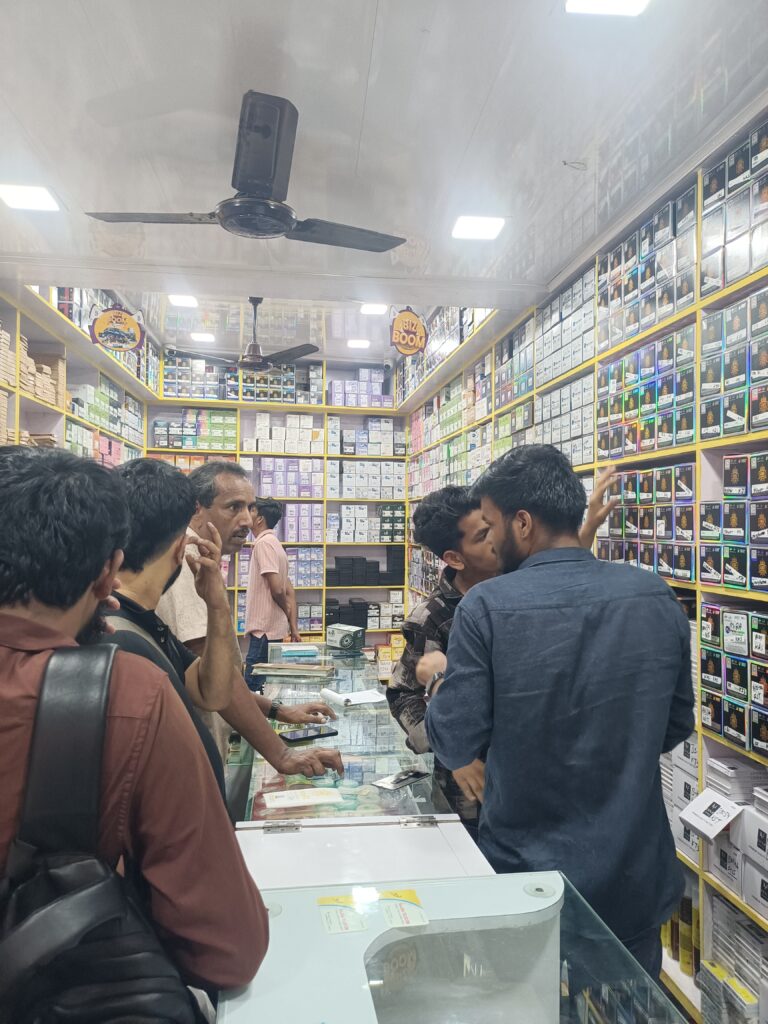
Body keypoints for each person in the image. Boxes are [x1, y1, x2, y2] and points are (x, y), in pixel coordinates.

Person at [0, 446, 267, 998]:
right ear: (107, 573)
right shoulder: (123, 692)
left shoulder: (134, 649)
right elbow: (226, 949)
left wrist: (217, 602)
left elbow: (212, 690)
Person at [423, 445, 694, 980]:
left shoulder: (486, 608)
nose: (490, 541)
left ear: (522, 523)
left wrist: (437, 679)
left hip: (529, 877)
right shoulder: (653, 595)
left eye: (491, 525)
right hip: (633, 875)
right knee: (628, 1006)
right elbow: (676, 725)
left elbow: (453, 742)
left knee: (530, 1001)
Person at [388, 473, 617, 839]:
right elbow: (402, 694)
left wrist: (584, 526)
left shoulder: (518, 579)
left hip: (539, 781)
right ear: (454, 558)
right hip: (472, 796)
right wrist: (454, 755)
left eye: (492, 526)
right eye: (483, 535)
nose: (497, 538)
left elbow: (557, 575)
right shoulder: (433, 617)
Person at [121, 459, 342, 782]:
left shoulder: (200, 558)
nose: (247, 520)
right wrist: (281, 753)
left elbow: (216, 677)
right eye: (233, 507)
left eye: (250, 508)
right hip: (185, 762)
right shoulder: (186, 560)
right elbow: (211, 678)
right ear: (196, 509)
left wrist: (278, 710)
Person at [244, 498, 300, 691]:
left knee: (253, 687)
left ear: (260, 519)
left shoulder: (264, 545)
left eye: (251, 511)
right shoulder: (276, 544)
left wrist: (286, 609)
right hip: (272, 629)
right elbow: (289, 590)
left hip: (264, 630)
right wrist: (293, 626)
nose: (246, 515)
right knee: (266, 686)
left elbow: (278, 589)